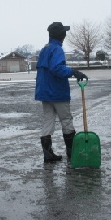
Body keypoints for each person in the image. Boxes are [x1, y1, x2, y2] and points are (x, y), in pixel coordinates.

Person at [35, 21, 88, 162]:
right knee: (66, 120)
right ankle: (72, 153)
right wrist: (73, 72)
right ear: (62, 35)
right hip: (57, 92)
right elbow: (56, 68)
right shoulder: (57, 49)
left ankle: (48, 154)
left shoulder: (44, 49)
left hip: (44, 93)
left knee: (48, 121)